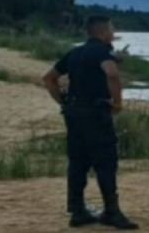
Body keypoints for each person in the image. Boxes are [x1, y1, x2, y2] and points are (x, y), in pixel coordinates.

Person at [41, 15, 140, 229]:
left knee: (78, 162)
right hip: (96, 113)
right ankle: (111, 211)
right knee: (106, 161)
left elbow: (49, 78)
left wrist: (62, 101)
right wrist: (118, 103)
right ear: (103, 32)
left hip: (73, 114)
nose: (113, 33)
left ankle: (77, 211)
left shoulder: (75, 53)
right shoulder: (102, 52)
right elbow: (112, 74)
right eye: (112, 29)